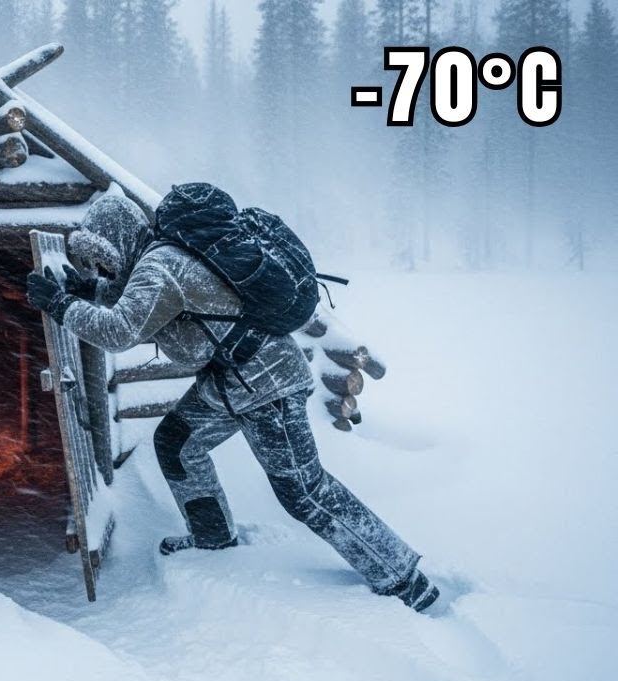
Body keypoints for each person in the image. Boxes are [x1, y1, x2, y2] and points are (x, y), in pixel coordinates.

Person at [25, 185, 439, 612]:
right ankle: (212, 535)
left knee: (303, 490)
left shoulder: (159, 266)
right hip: (230, 383)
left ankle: (402, 576)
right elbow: (152, 305)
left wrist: (60, 304)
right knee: (176, 442)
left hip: (268, 384)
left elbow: (119, 331)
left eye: (104, 258)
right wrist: (90, 292)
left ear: (118, 240)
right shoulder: (160, 263)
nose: (105, 268)